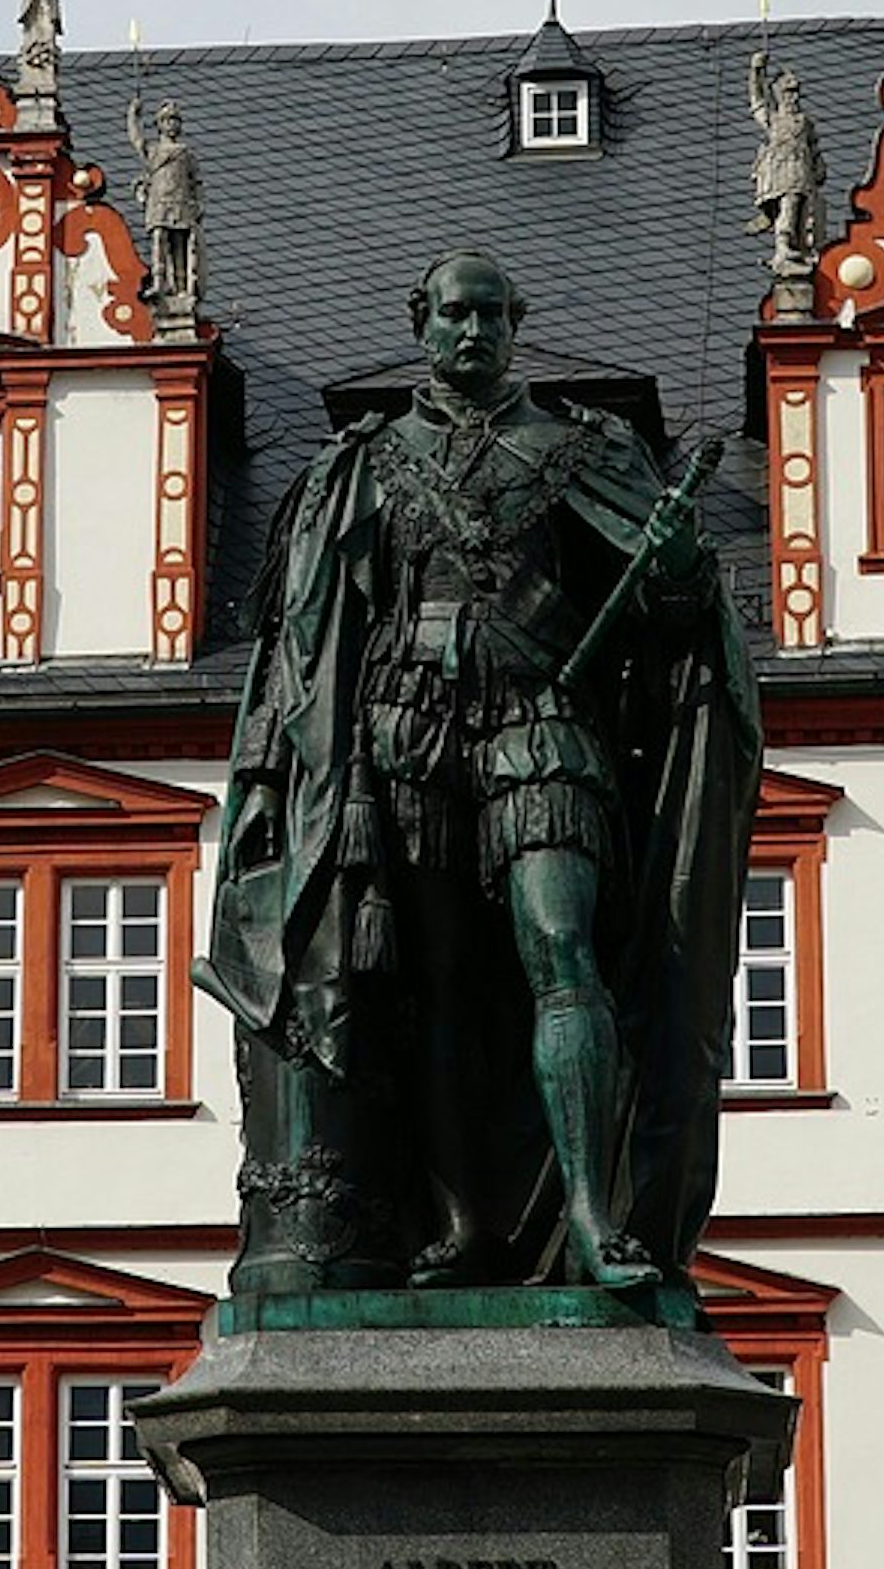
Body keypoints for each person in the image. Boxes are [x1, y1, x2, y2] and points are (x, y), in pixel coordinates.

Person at [199, 250, 758, 1299]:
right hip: (401, 737)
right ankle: (461, 1222)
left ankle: (595, 1220)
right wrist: (281, 776)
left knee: (562, 949)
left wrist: (681, 564)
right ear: (420, 321)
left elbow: (671, 622)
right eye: (454, 312)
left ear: (518, 323)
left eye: (492, 313)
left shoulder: (583, 446)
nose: (472, 331)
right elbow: (305, 641)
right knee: (443, 988)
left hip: (541, 722)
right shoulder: (358, 464)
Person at [745, 51, 825, 275]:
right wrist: (757, 71)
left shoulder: (805, 121)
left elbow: (814, 146)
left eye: (796, 91)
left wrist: (819, 166)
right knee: (788, 206)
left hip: (801, 167)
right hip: (780, 168)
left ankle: (798, 248)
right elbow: (757, 100)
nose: (795, 97)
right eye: (789, 91)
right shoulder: (773, 118)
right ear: (779, 93)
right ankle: (783, 248)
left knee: (802, 210)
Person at [129, 96, 201, 314]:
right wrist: (133, 116)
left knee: (179, 244)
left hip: (180, 200)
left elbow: (195, 181)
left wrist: (199, 203)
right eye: (167, 120)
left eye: (174, 120)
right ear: (159, 125)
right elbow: (136, 140)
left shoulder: (185, 153)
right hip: (159, 199)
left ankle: (180, 288)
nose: (171, 124)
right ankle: (159, 282)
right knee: (159, 238)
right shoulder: (154, 151)